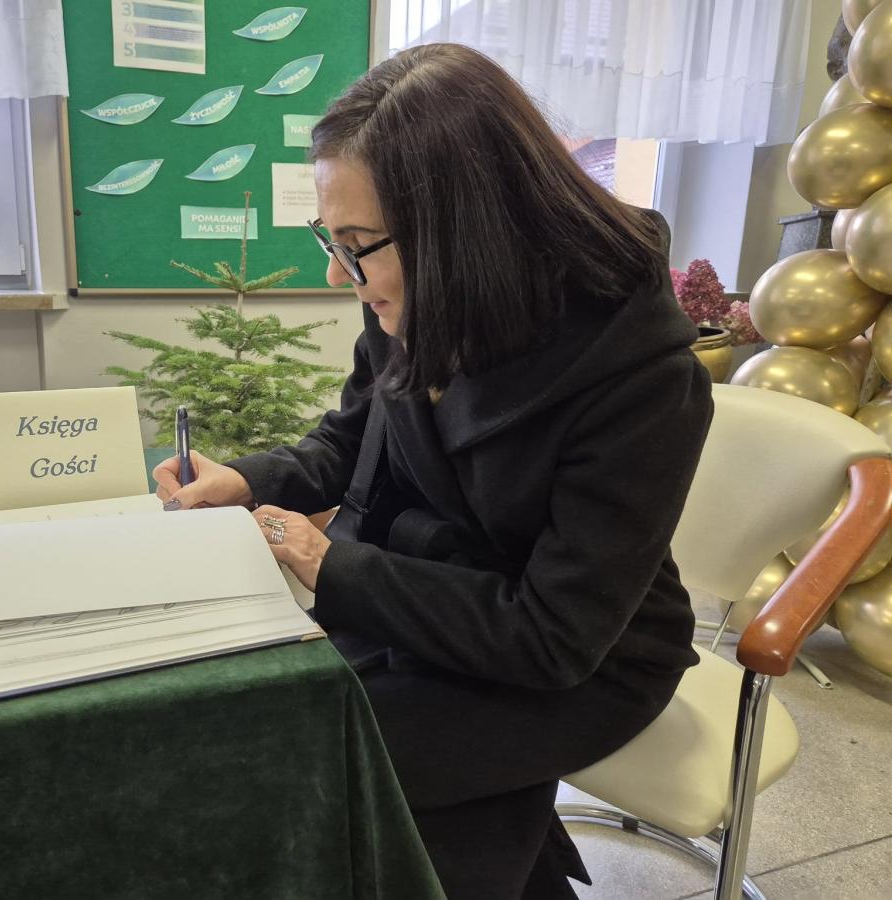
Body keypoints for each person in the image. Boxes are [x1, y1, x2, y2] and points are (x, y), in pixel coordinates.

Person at [153, 43, 713, 899]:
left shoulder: (643, 381)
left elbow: (553, 637)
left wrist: (326, 561)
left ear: (464, 229)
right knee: (267, 711)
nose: (336, 273)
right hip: (429, 596)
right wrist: (250, 481)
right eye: (330, 239)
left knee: (318, 756)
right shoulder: (415, 300)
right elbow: (350, 441)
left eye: (355, 246)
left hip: (588, 658)